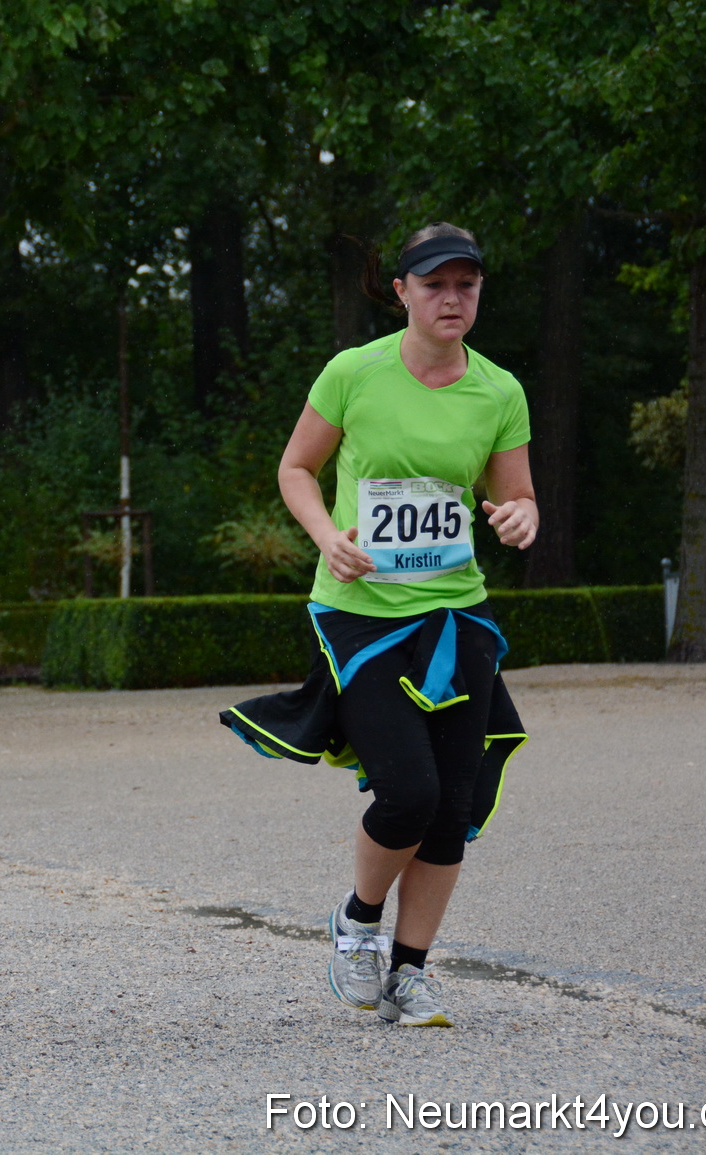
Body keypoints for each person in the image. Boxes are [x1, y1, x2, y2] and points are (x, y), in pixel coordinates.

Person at [220, 224, 536, 1028]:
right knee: (408, 790)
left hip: (456, 615)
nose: (452, 297)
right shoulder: (353, 374)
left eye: (466, 283)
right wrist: (329, 536)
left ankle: (410, 972)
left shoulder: (499, 391)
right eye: (435, 284)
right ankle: (358, 921)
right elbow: (297, 468)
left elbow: (516, 493)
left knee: (453, 805)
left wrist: (520, 517)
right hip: (361, 616)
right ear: (401, 292)